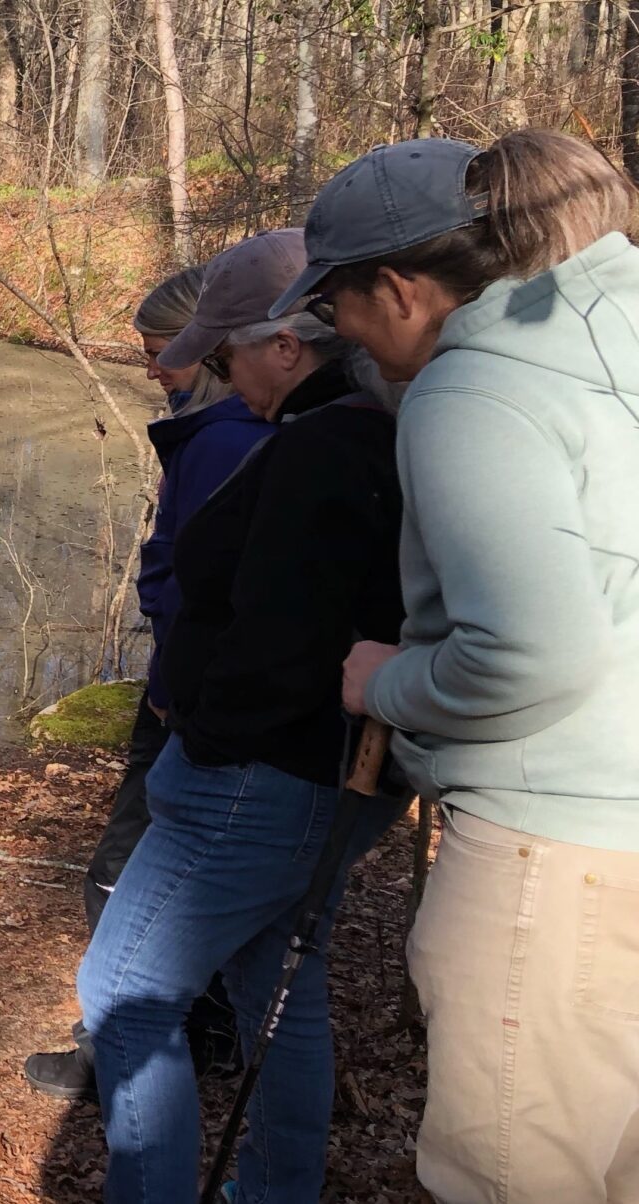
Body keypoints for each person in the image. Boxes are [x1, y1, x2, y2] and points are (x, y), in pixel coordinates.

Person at [298, 134, 639, 1204]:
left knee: (513, 1174)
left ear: (398, 289)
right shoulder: (609, 341)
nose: (333, 335)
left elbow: (536, 648)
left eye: (337, 307)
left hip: (552, 855)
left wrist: (384, 684)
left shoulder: (472, 391)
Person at [74, 227, 405, 1204]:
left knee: (123, 993)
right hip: (317, 775)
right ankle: (270, 1190)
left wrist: (202, 737)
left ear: (286, 346)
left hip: (261, 780)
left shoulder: (324, 451)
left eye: (227, 357)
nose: (223, 378)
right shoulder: (371, 434)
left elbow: (277, 633)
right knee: (279, 985)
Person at [24, 265, 269, 1100]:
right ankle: (203, 1028)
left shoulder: (227, 441)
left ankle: (124, 1040)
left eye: (163, 352)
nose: (153, 369)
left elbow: (196, 586)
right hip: (202, 691)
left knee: (125, 868)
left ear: (213, 349)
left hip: (191, 698)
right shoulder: (226, 429)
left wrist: (168, 688)